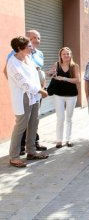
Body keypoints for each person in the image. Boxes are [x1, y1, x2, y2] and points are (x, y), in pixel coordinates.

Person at [7, 36, 49, 168]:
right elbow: (23, 83)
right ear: (20, 48)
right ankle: (14, 157)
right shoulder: (13, 63)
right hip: (24, 97)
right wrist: (41, 91)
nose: (31, 48)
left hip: (35, 96)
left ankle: (31, 151)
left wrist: (40, 88)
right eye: (28, 46)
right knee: (21, 126)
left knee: (33, 123)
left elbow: (34, 75)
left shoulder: (28, 58)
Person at [49, 47, 80, 148]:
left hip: (71, 95)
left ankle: (68, 139)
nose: (66, 55)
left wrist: (64, 78)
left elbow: (77, 80)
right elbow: (51, 74)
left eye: (68, 53)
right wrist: (50, 74)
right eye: (64, 54)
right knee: (60, 118)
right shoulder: (56, 65)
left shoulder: (74, 66)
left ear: (71, 55)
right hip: (58, 95)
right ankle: (59, 140)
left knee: (69, 118)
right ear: (60, 56)